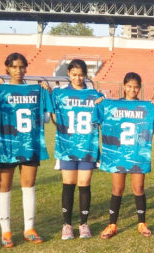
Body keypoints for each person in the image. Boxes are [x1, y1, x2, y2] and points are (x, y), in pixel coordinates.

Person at [0, 52, 51, 248]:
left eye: (22, 66)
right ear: (7, 68)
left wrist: (46, 92)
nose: (18, 70)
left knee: (29, 185)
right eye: (14, 67)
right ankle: (5, 232)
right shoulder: (0, 90)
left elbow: (47, 118)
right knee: (4, 187)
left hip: (29, 144)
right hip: (7, 144)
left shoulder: (35, 90)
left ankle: (29, 229)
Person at [96, 72, 154, 239]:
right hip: (118, 153)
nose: (132, 89)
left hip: (138, 153)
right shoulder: (113, 105)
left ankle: (141, 223)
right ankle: (112, 224)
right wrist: (101, 104)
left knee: (138, 188)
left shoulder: (146, 107)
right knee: (117, 189)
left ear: (140, 88)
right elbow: (98, 119)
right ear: (124, 86)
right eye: (129, 86)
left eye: (136, 86)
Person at [50, 59, 104, 240]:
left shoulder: (94, 94)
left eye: (81, 74)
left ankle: (83, 224)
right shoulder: (59, 94)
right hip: (67, 146)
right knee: (68, 185)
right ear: (68, 75)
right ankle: (67, 225)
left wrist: (102, 104)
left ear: (85, 75)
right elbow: (54, 117)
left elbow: (103, 118)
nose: (78, 78)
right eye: (74, 74)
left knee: (84, 185)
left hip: (88, 146)